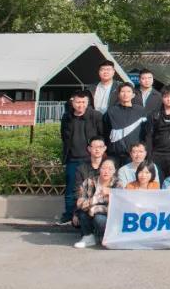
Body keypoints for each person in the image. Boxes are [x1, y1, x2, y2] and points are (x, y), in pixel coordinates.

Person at [58, 90, 105, 226]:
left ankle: (89, 215)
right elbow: (64, 136)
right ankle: (69, 215)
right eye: (78, 102)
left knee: (93, 187)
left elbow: (102, 135)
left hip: (91, 159)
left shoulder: (95, 116)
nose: (80, 105)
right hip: (72, 158)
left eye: (83, 102)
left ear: (88, 102)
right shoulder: (67, 117)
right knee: (71, 188)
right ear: (72, 102)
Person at [74, 158, 118, 248]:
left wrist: (95, 208)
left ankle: (106, 237)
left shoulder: (117, 184)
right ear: (99, 169)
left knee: (99, 218)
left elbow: (117, 207)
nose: (106, 171)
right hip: (90, 214)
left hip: (109, 216)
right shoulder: (89, 181)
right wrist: (96, 200)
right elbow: (80, 203)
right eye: (103, 168)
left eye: (110, 169)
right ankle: (88, 237)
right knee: (82, 213)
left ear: (114, 171)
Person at [104, 82, 149, 166]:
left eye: (128, 91)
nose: (125, 94)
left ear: (133, 95)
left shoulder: (140, 111)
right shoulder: (111, 111)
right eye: (122, 91)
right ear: (118, 94)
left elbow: (145, 132)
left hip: (134, 154)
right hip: (115, 154)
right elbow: (105, 131)